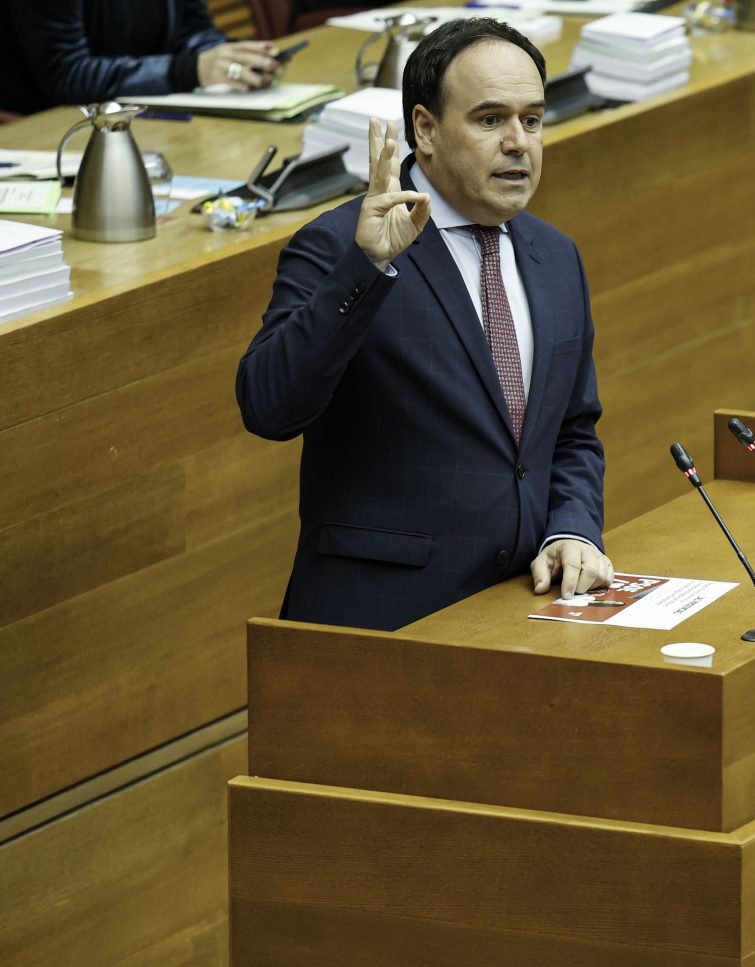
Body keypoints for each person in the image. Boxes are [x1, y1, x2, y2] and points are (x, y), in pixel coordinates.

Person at [236, 18, 612, 632]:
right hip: (380, 624)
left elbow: (571, 431)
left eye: (532, 120)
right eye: (490, 120)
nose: (518, 143)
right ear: (426, 129)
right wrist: (366, 267)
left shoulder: (555, 255)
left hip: (519, 611)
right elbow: (268, 408)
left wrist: (572, 528)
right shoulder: (342, 245)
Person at [0, 0, 280, 115]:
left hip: (149, 115)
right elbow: (67, 74)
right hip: (56, 131)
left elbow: (192, 29)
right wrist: (188, 70)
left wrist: (234, 59)